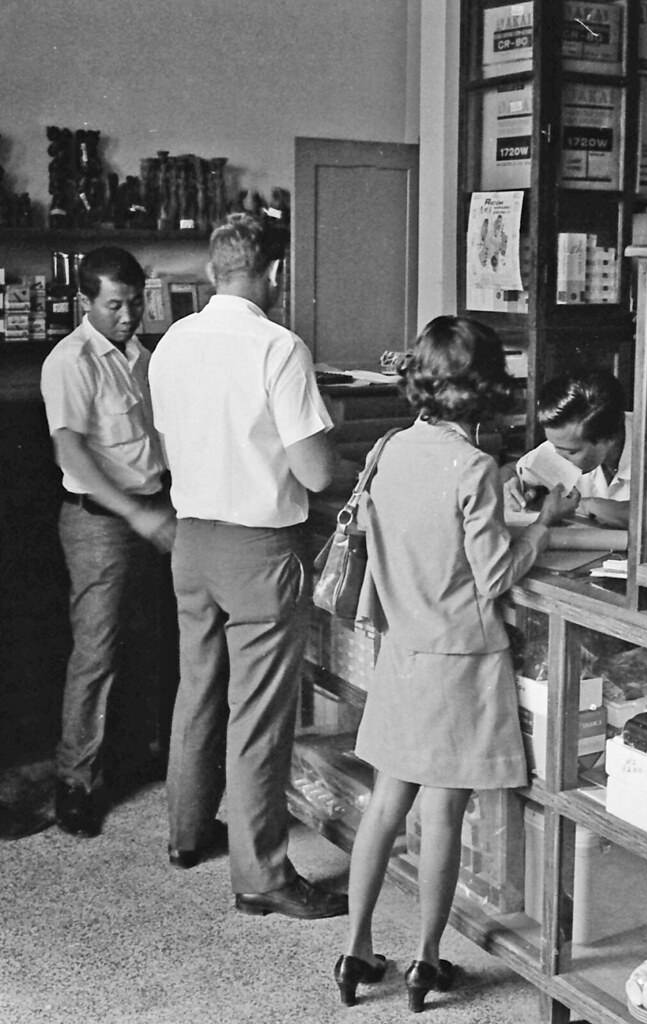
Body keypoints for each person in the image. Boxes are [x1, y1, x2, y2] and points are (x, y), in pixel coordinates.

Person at [333, 316, 573, 1011]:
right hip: (460, 663)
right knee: (440, 818)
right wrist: (544, 524)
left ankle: (355, 950)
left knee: (384, 806)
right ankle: (425, 961)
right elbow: (493, 575)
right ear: (485, 390)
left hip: (401, 652)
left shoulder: (388, 449)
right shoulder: (471, 468)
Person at [148, 212, 348, 920]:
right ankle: (261, 876)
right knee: (258, 715)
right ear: (276, 273)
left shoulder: (171, 340)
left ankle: (185, 832)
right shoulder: (278, 346)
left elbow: (169, 446)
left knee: (197, 687)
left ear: (210, 271)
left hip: (192, 538)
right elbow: (317, 471)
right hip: (258, 547)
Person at [40, 246, 175, 838]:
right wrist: (136, 516)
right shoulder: (69, 361)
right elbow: (70, 452)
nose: (129, 315)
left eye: (137, 302)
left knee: (154, 638)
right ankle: (75, 781)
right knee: (96, 652)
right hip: (100, 519)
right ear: (85, 302)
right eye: (115, 304)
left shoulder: (143, 356)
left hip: (152, 507)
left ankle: (145, 751)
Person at [505, 370, 647, 529]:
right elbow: (514, 470)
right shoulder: (566, 441)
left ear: (609, 439)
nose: (557, 457)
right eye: (555, 446)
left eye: (572, 452)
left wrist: (585, 505)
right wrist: (512, 485)